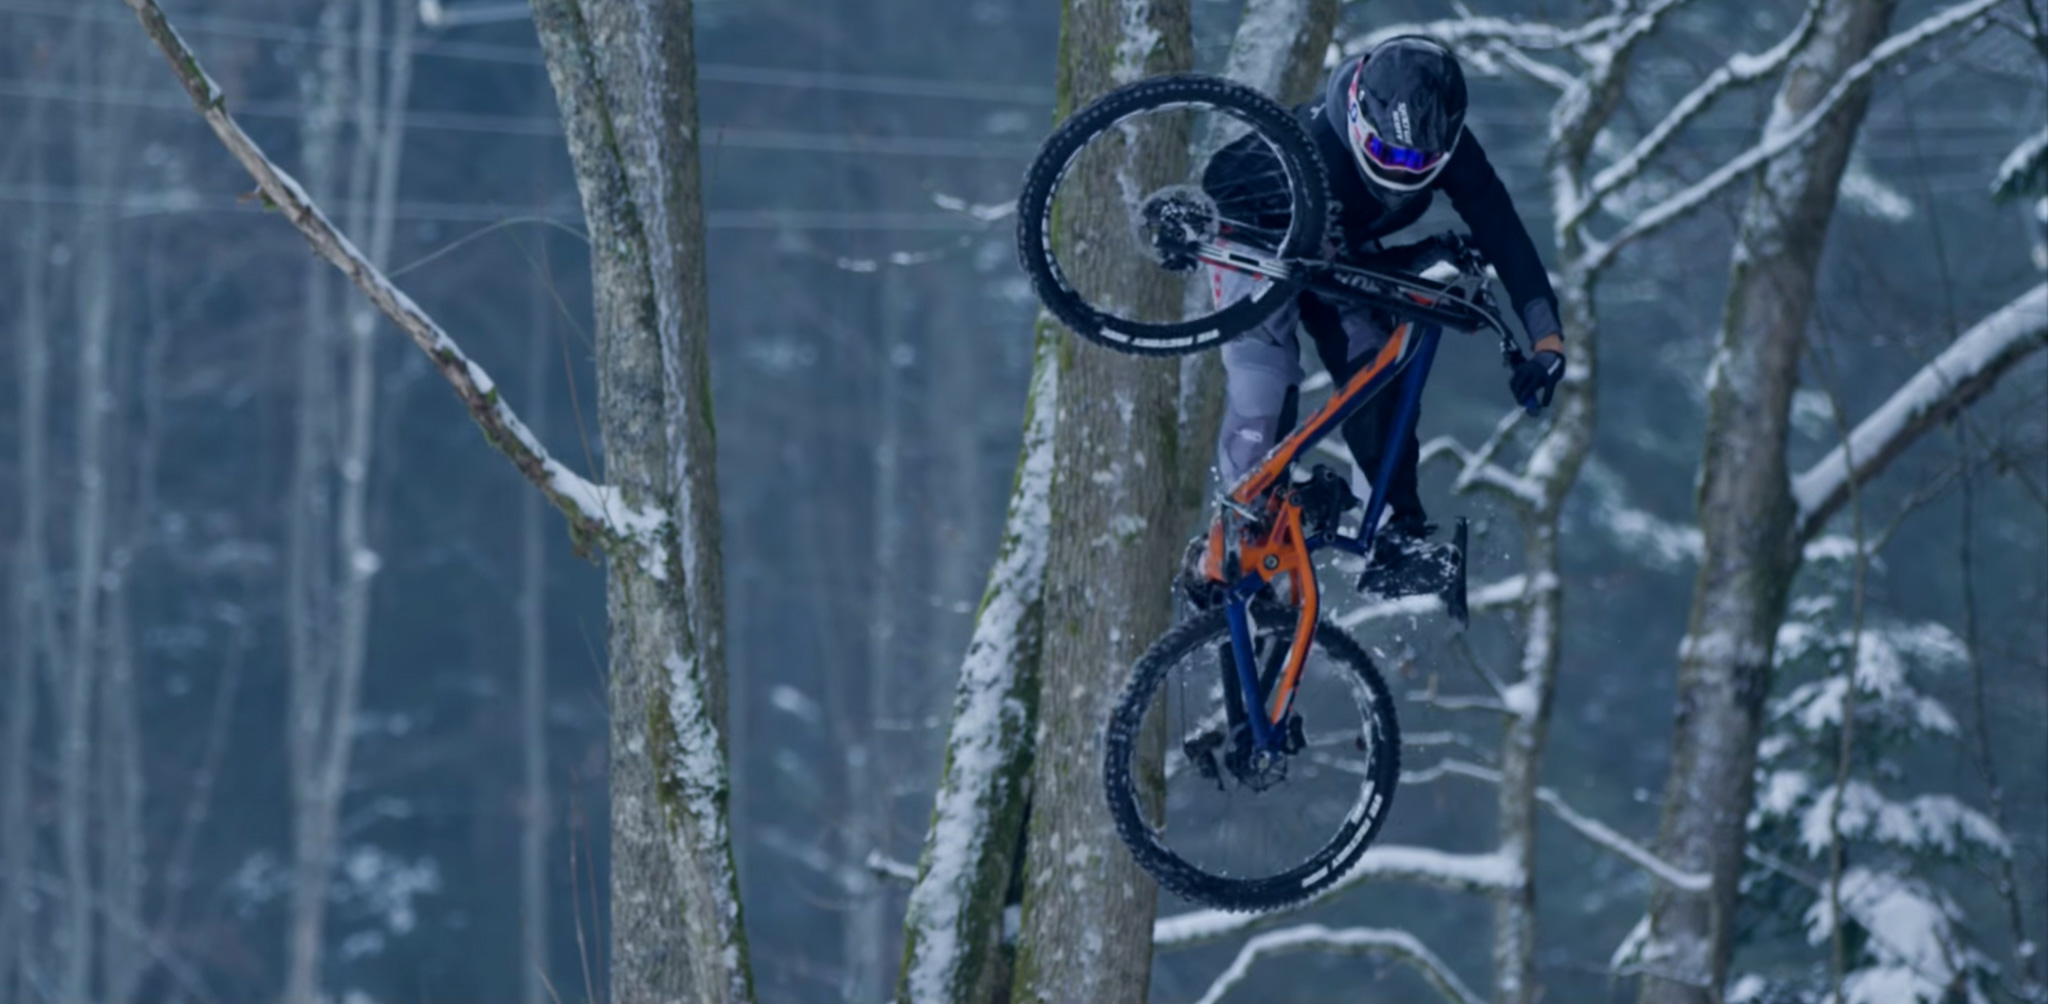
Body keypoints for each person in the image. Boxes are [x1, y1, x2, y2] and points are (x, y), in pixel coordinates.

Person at [1200, 35, 1567, 585]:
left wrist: (1547, 341)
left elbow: (1504, 233)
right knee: (1265, 375)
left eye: (1419, 163)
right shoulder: (1322, 138)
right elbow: (1220, 184)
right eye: (1389, 155)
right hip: (1254, 232)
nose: (1401, 171)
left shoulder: (1454, 148)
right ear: (1357, 117)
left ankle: (1394, 532)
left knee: (1378, 365)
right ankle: (1238, 528)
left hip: (1339, 248)